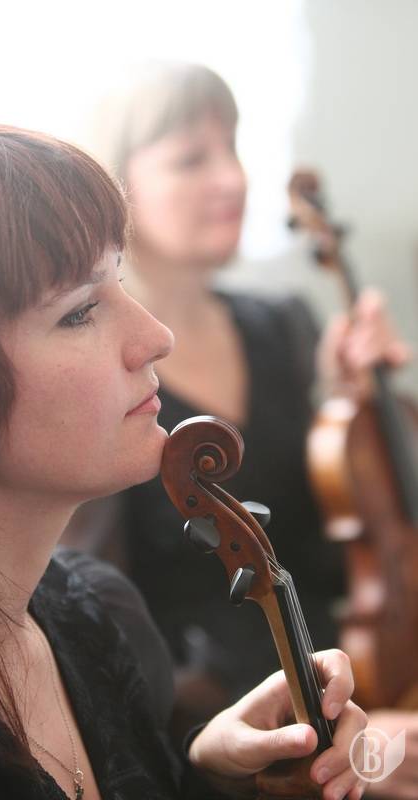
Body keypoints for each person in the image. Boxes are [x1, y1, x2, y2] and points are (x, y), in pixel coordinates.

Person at [0, 124, 366, 800]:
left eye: (117, 279)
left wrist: (206, 774)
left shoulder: (97, 616)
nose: (156, 336)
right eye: (79, 312)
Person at [68, 61, 418, 798]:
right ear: (117, 185)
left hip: (355, 683)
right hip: (225, 736)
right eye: (191, 158)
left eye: (232, 147)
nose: (232, 177)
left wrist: (356, 415)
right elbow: (100, 637)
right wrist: (332, 749)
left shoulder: (281, 326)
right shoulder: (100, 373)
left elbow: (340, 548)